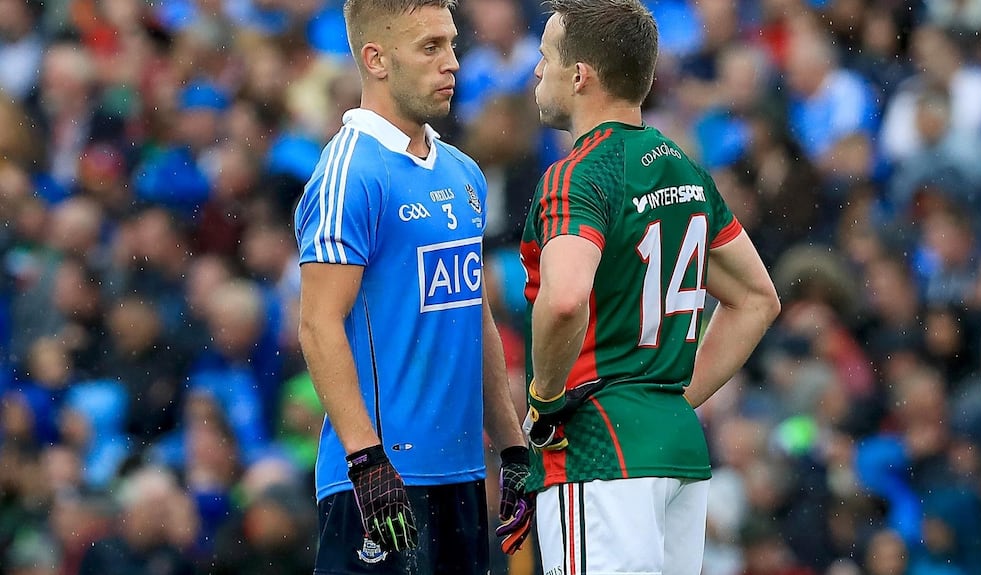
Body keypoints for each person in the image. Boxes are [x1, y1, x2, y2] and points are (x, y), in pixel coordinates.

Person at [520, 1, 781, 574]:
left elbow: (565, 300)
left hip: (597, 450)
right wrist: (670, 400)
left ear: (580, 74)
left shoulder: (576, 174)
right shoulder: (683, 169)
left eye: (544, 59)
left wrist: (541, 403)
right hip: (677, 450)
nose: (537, 72)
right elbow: (758, 299)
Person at [292, 1, 532, 573]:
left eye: (451, 44)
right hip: (380, 486)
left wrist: (512, 444)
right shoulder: (350, 172)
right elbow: (317, 324)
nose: (451, 63)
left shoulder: (462, 171)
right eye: (430, 47)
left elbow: (471, 317)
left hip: (463, 477)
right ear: (375, 59)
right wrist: (366, 461)